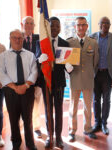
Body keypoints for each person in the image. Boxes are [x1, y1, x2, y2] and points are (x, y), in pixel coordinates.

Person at [0, 29, 38, 150]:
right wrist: (15, 87)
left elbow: (34, 72)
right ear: (10, 39)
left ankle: (30, 143)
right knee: (13, 118)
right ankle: (16, 143)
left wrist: (25, 86)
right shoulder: (3, 56)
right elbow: (1, 74)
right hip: (10, 90)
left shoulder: (30, 55)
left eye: (20, 38)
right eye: (14, 37)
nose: (17, 40)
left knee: (28, 118)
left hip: (27, 89)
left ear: (23, 39)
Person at [36, 16, 72, 148]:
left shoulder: (65, 43)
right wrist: (39, 60)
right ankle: (49, 137)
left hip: (59, 84)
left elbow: (67, 66)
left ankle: (58, 138)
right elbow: (36, 60)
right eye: (51, 25)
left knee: (59, 110)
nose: (54, 28)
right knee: (48, 111)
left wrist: (69, 69)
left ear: (60, 27)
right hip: (46, 82)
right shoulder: (41, 42)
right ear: (47, 27)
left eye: (57, 26)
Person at [67, 16, 99, 142]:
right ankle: (72, 131)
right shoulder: (69, 42)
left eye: (83, 25)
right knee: (73, 107)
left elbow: (95, 61)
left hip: (88, 79)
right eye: (78, 25)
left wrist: (90, 74)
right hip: (74, 78)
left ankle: (88, 128)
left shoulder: (93, 43)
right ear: (75, 27)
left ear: (87, 26)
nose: (81, 27)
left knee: (87, 106)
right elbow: (66, 61)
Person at [90, 16, 112, 135]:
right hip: (95, 74)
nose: (104, 25)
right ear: (99, 24)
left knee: (106, 100)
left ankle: (104, 124)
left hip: (108, 74)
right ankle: (97, 123)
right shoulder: (92, 37)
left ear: (110, 25)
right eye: (102, 23)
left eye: (107, 23)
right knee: (96, 100)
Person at [21, 16, 43, 138]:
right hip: (22, 79)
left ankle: (36, 127)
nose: (29, 25)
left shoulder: (39, 38)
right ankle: (25, 126)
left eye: (31, 23)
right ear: (22, 24)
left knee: (36, 103)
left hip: (37, 78)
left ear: (34, 26)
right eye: (26, 23)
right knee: (24, 104)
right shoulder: (17, 38)